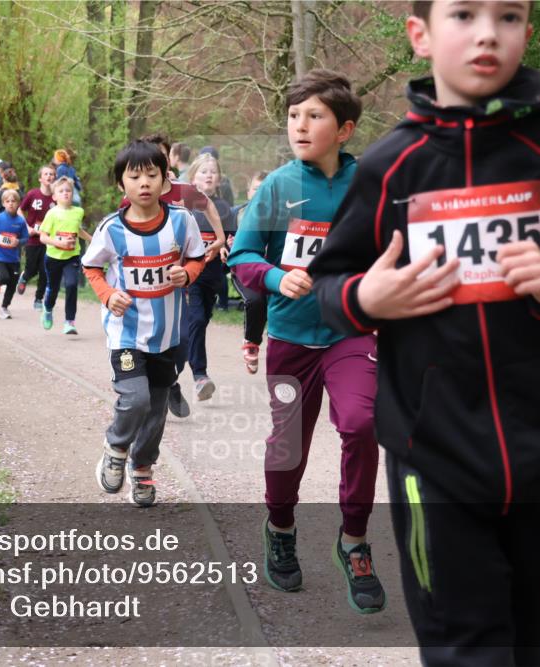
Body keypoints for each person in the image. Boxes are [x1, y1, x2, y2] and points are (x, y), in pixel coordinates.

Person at [310, 2, 540, 662]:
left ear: (527, 32)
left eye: (510, 15)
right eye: (463, 13)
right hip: (434, 460)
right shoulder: (389, 166)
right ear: (421, 36)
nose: (488, 31)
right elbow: (329, 287)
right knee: (468, 648)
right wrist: (364, 296)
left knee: (523, 644)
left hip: (538, 460)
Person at [228, 69, 383, 614]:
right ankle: (281, 526)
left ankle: (355, 541)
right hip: (292, 339)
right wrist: (275, 277)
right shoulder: (277, 187)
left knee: (362, 425)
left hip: (351, 334)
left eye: (314, 116)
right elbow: (241, 257)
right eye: (294, 115)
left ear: (344, 130)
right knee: (287, 446)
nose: (300, 124)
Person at [82, 140, 206, 506]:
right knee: (134, 400)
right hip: (127, 333)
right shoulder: (111, 229)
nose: (144, 183)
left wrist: (187, 273)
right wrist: (107, 294)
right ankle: (116, 447)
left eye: (152, 174)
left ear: (165, 180)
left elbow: (197, 259)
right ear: (122, 184)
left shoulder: (182, 222)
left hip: (168, 336)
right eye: (134, 176)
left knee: (154, 407)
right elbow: (92, 267)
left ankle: (143, 468)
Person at [132, 134, 226, 417]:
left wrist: (220, 237)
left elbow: (207, 204)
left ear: (169, 160)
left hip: (187, 273)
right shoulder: (137, 194)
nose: (153, 166)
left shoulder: (183, 190)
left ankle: (170, 380)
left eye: (159, 158)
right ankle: (156, 388)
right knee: (155, 339)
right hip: (151, 279)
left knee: (185, 336)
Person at [179, 152, 237, 401]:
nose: (209, 175)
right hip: (190, 275)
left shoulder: (224, 208)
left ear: (219, 178)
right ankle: (200, 375)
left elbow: (232, 238)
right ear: (193, 178)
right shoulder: (184, 207)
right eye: (204, 171)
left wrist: (227, 247)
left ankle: (183, 372)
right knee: (197, 319)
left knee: (200, 321)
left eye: (213, 171)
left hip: (214, 275)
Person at [38, 176, 91, 334]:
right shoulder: (52, 214)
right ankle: (47, 309)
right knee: (53, 289)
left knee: (71, 285)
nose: (65, 193)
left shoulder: (78, 211)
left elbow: (77, 230)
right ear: (54, 196)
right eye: (61, 191)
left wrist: (92, 239)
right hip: (53, 257)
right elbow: (43, 236)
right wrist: (59, 243)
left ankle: (69, 321)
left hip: (72, 256)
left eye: (68, 190)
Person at [231, 170, 270, 373]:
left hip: (273, 270)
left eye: (265, 190)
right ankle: (252, 343)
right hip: (245, 271)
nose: (260, 193)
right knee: (255, 301)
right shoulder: (237, 214)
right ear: (248, 192)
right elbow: (223, 238)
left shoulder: (281, 216)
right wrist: (225, 246)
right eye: (256, 189)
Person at [0, 189, 29, 319]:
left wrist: (18, 242)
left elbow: (26, 238)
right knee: (4, 278)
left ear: (18, 204)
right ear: (3, 203)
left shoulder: (20, 221)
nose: (11, 204)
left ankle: (4, 308)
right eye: (7, 201)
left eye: (13, 201)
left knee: (12, 283)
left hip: (14, 258)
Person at [18, 164, 57, 309]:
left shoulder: (56, 198)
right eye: (46, 174)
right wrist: (27, 227)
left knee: (44, 270)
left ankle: (38, 299)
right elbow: (20, 210)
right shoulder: (32, 194)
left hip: (48, 240)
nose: (49, 176)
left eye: (52, 174)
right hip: (33, 238)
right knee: (31, 268)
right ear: (40, 178)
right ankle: (24, 277)